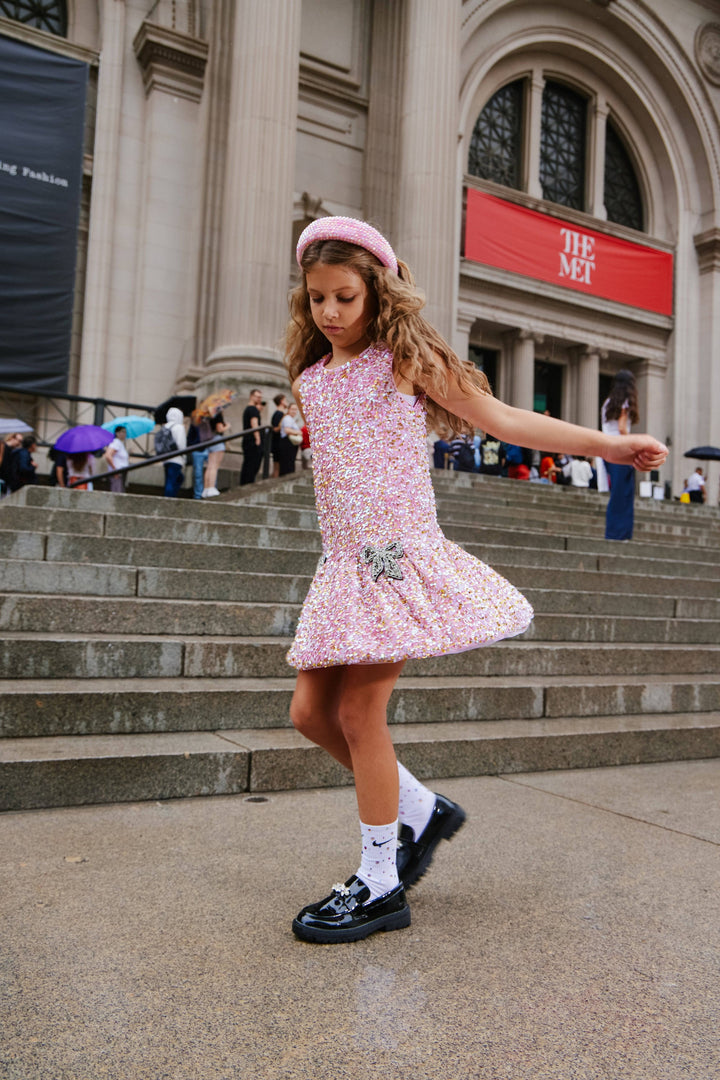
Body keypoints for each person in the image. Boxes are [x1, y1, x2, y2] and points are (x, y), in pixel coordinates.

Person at [283, 216, 667, 945]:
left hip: (396, 564)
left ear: (377, 295)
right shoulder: (311, 379)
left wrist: (609, 447)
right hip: (342, 566)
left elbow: (503, 420)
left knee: (362, 715)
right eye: (318, 299)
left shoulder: (403, 361)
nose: (331, 313)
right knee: (310, 715)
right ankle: (421, 811)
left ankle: (378, 881)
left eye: (345, 298)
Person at [601, 369, 640, 540]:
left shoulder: (608, 403)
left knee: (616, 493)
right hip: (621, 451)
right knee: (624, 494)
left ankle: (613, 532)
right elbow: (622, 428)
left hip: (608, 450)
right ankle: (621, 533)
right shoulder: (624, 403)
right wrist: (635, 444)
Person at [202, 411, 230, 497]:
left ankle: (206, 488)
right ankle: (211, 487)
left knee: (210, 466)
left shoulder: (208, 414)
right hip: (217, 440)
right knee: (214, 466)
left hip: (210, 440)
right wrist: (227, 426)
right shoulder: (217, 414)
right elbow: (219, 429)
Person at [161, 407, 187, 497]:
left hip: (166, 458)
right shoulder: (179, 427)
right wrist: (184, 457)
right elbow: (181, 444)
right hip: (176, 459)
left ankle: (170, 497)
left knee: (175, 478)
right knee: (172, 480)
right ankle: (169, 499)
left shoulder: (165, 427)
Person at [240, 388, 264, 486]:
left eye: (260, 397)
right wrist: (258, 439)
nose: (259, 399)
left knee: (247, 464)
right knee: (252, 464)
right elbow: (254, 424)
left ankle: (244, 484)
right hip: (252, 441)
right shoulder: (253, 409)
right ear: (251, 396)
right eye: (257, 396)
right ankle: (247, 484)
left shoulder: (249, 409)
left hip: (248, 440)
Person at [187, 410, 212, 499]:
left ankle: (209, 491)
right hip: (197, 450)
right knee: (198, 473)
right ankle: (198, 494)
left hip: (207, 448)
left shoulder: (208, 422)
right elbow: (190, 439)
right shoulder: (194, 424)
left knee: (211, 470)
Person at [103, 426, 129, 493]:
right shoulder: (116, 442)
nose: (124, 434)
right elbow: (108, 455)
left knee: (120, 491)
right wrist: (115, 469)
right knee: (117, 492)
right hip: (117, 472)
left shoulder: (120, 443)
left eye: (125, 432)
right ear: (117, 433)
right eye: (122, 431)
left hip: (121, 472)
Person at [278, 402, 301, 476]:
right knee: (287, 465)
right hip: (287, 443)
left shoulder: (290, 419)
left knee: (289, 464)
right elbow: (287, 430)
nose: (294, 411)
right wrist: (298, 432)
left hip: (290, 444)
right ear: (288, 409)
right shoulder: (287, 418)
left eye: (296, 409)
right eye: (293, 409)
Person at [270, 394, 288, 478]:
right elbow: (275, 429)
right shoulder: (279, 414)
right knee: (277, 468)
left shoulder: (279, 413)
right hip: (278, 443)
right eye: (285, 400)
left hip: (278, 443)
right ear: (281, 401)